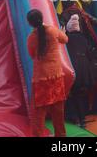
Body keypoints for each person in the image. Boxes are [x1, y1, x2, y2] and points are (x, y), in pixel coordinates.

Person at [27, 9, 68, 137]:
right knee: (58, 111)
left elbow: (32, 54)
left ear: (30, 24)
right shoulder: (53, 31)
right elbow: (65, 39)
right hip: (56, 75)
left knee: (38, 113)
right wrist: (62, 31)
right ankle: (60, 135)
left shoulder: (32, 38)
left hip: (41, 78)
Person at [65, 14, 95, 128]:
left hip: (74, 68)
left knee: (72, 94)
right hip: (85, 69)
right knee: (81, 95)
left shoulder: (67, 39)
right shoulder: (83, 38)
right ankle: (82, 118)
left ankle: (75, 118)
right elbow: (89, 53)